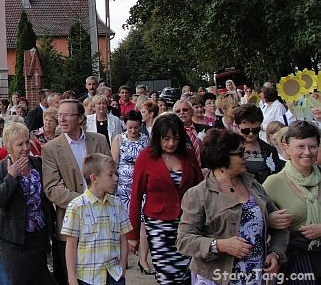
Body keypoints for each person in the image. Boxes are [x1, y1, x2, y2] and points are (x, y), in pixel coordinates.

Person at [177, 128, 289, 285]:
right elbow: (184, 240)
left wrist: (274, 253)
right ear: (222, 157)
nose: (246, 156)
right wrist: (221, 245)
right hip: (216, 277)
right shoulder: (198, 194)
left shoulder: (253, 184)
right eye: (240, 152)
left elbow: (280, 226)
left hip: (256, 277)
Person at [127, 113, 203, 285]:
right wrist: (133, 234)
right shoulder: (146, 157)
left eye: (175, 139)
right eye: (166, 139)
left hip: (187, 223)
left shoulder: (188, 155)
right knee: (167, 274)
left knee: (189, 273)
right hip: (158, 225)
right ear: (157, 138)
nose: (171, 144)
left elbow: (200, 187)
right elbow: (136, 196)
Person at [42, 99, 110, 284]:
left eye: (67, 115)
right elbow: (52, 188)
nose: (61, 120)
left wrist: (99, 196)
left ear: (80, 118)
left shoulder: (99, 140)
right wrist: (86, 199)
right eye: (59, 115)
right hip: (70, 223)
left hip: (102, 221)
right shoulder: (50, 149)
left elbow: (111, 176)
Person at [0, 121, 56, 284]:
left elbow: (46, 195)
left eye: (27, 141)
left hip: (38, 237)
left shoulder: (38, 163)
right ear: (8, 146)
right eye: (20, 144)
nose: (26, 147)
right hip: (13, 241)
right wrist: (11, 177)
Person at [263, 121, 321, 283]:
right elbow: (251, 221)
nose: (307, 152)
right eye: (300, 147)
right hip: (296, 264)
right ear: (287, 148)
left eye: (313, 146)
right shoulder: (273, 183)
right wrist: (269, 220)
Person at [62, 154, 132, 285]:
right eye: (110, 175)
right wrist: (72, 278)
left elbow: (123, 238)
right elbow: (71, 245)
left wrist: (122, 266)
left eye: (115, 174)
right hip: (87, 277)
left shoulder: (117, 204)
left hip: (114, 274)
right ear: (94, 178)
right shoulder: (77, 206)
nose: (116, 178)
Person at [111, 110, 153, 275]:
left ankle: (143, 259)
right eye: (130, 128)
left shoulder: (145, 140)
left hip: (142, 186)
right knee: (124, 222)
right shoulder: (119, 139)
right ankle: (124, 257)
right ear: (125, 126)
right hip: (123, 186)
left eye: (136, 128)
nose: (133, 131)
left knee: (143, 221)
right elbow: (114, 162)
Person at [234, 103, 284, 183]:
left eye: (255, 130)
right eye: (246, 131)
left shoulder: (269, 150)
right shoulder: (229, 149)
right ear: (237, 127)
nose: (251, 134)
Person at [173, 99, 208, 164]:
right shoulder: (173, 134)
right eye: (178, 111)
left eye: (185, 110)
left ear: (192, 111)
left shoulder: (207, 129)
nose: (182, 113)